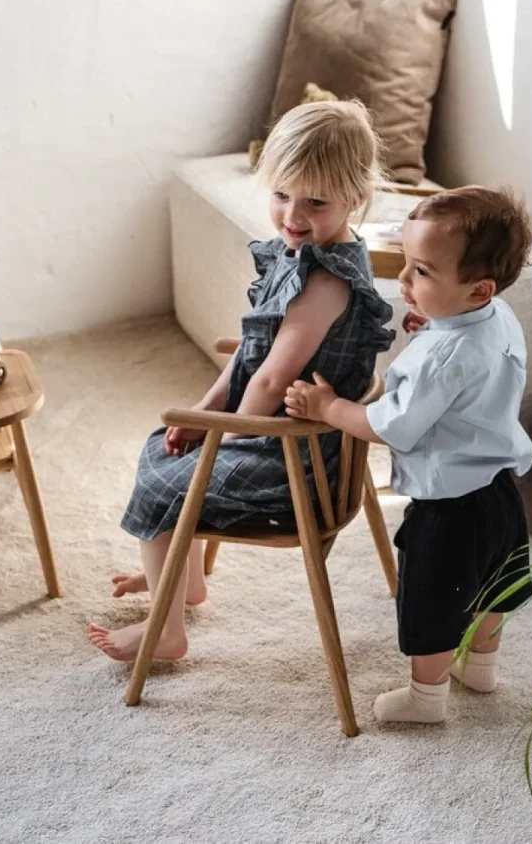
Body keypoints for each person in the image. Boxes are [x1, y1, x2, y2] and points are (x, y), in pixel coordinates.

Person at [88, 99, 395, 661]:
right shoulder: (301, 253)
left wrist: (222, 433)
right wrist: (206, 407)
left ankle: (168, 629)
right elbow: (256, 349)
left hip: (299, 457)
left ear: (356, 197)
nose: (292, 215)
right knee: (169, 448)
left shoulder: (325, 280)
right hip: (281, 430)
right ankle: (185, 583)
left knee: (162, 479)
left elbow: (275, 378)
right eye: (281, 194)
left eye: (315, 202)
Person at [285, 185, 532, 724]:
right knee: (495, 584)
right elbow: (472, 362)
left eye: (422, 272)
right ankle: (483, 668)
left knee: (433, 601)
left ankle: (426, 699)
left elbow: (388, 424)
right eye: (406, 263)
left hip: (447, 506)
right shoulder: (496, 317)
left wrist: (327, 405)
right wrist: (437, 319)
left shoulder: (441, 358)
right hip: (500, 492)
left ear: (478, 288)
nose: (403, 281)